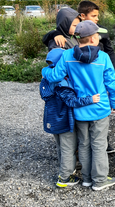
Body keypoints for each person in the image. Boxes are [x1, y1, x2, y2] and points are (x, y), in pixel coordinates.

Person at [42, 21, 115, 191]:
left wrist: (44, 71)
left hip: (79, 110)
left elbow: (54, 76)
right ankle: (99, 180)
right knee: (99, 144)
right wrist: (114, 102)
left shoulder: (67, 55)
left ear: (78, 39)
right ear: (93, 39)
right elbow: (111, 84)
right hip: (100, 108)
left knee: (84, 144)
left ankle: (86, 178)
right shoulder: (104, 57)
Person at [49, 0, 115, 154]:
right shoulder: (72, 38)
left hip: (96, 80)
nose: (97, 19)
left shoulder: (100, 33)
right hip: (82, 88)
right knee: (89, 129)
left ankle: (95, 155)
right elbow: (54, 38)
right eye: (93, 16)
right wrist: (55, 33)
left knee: (94, 128)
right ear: (82, 17)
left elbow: (111, 52)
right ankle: (92, 161)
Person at [40, 48, 100, 188]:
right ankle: (65, 178)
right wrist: (89, 99)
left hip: (52, 120)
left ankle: (65, 170)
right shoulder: (62, 83)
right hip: (64, 120)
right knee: (68, 148)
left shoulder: (46, 79)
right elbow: (71, 101)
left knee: (61, 147)